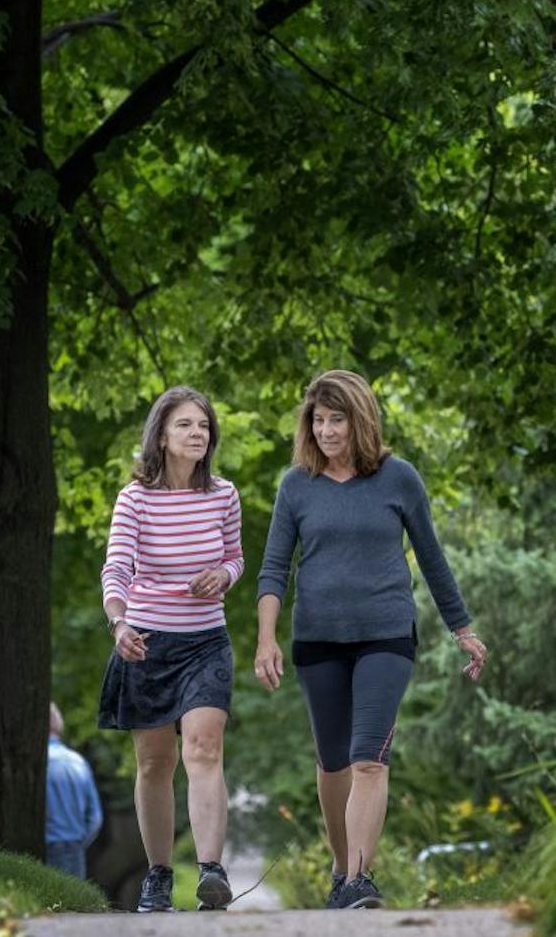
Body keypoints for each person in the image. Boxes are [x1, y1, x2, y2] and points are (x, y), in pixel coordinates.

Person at [253, 369, 489, 910]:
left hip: (386, 634)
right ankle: (342, 871)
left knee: (368, 759)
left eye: (337, 419)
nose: (327, 430)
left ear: (360, 420)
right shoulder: (296, 486)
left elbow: (431, 557)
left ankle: (360, 878)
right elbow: (273, 569)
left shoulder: (398, 478)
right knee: (333, 760)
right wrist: (266, 640)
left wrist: (462, 628)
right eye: (318, 420)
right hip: (318, 639)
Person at [97, 386, 243, 913]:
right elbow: (116, 569)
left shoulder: (223, 494)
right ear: (161, 435)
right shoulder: (135, 498)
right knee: (155, 763)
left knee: (203, 748)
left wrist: (222, 575)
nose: (197, 433)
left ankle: (211, 872)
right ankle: (158, 876)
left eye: (203, 425)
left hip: (206, 640)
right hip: (147, 642)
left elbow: (234, 557)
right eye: (185, 424)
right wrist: (118, 624)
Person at [45, 701, 104, 880]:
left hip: (44, 847)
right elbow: (95, 818)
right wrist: (78, 841)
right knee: (73, 904)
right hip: (75, 847)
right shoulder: (77, 761)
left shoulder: (34, 763)